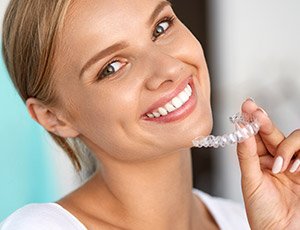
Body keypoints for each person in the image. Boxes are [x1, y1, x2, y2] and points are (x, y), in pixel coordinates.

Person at [1, 0, 299, 229]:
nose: (168, 68)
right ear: (53, 117)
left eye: (161, 27)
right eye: (112, 67)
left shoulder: (247, 221)